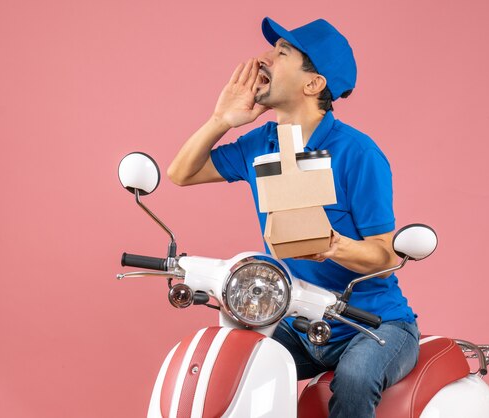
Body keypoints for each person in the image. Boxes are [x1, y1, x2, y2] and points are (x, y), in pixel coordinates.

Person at [167, 17, 419, 418]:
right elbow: (181, 174)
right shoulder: (260, 143)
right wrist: (221, 119)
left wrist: (331, 244)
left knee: (354, 379)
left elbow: (385, 257)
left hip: (374, 324)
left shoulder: (358, 153)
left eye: (281, 53)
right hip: (299, 317)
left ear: (313, 84)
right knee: (234, 365)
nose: (263, 59)